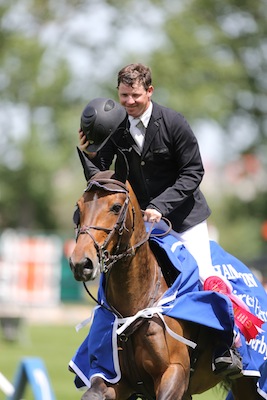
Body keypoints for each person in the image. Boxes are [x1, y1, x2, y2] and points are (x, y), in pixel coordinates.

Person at [78, 63, 242, 377]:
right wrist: (89, 151)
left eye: (135, 95)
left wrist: (160, 206)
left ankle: (225, 349)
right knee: (114, 279)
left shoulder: (174, 123)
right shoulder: (119, 128)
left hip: (185, 220)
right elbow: (100, 169)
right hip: (145, 224)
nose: (128, 102)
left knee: (207, 278)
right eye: (123, 95)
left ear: (149, 91)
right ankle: (101, 356)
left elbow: (194, 172)